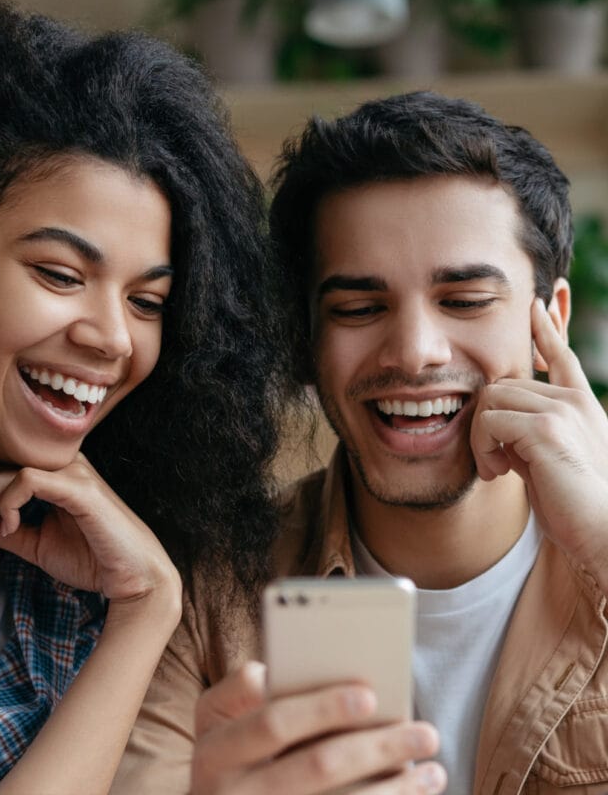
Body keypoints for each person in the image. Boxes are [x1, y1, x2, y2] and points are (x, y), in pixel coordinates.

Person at [0, 0, 291, 793]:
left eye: (148, 303)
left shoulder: (72, 614)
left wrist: (147, 606)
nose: (112, 337)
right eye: (60, 275)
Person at [114, 91, 608, 794]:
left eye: (465, 300)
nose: (413, 352)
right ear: (306, 341)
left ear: (548, 324)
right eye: (357, 308)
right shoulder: (209, 594)